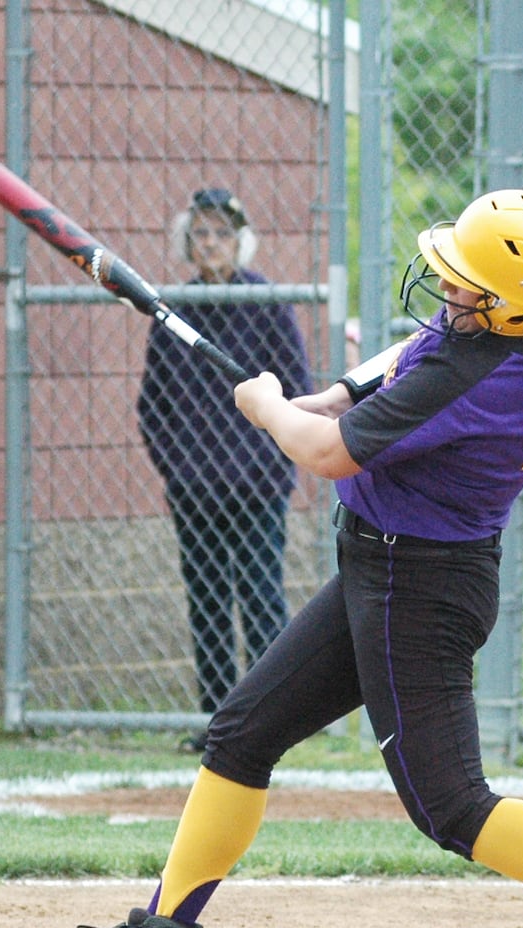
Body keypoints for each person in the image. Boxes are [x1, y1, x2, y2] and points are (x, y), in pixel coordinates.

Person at [41, 189, 523, 928]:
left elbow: (324, 456)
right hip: (387, 571)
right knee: (243, 734)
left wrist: (270, 410)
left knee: (452, 807)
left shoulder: (479, 369)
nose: (449, 293)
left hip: (417, 589)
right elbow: (406, 356)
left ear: (512, 307)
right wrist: (338, 395)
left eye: (469, 286)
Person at [138, 187, 313, 751]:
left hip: (258, 486)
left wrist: (271, 461)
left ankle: (271, 723)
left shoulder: (265, 299)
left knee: (261, 596)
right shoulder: (175, 308)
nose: (210, 243)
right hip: (195, 489)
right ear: (188, 244)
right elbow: (152, 405)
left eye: (221, 233)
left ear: (240, 241)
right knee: (208, 600)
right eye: (201, 234)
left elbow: (295, 389)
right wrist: (178, 469)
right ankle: (217, 723)